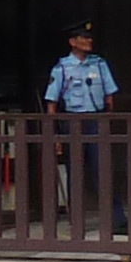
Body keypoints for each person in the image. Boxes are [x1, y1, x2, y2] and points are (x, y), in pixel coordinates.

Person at [43, 25, 123, 229]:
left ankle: (116, 220)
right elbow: (51, 102)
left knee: (103, 170)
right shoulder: (62, 67)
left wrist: (107, 120)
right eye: (83, 38)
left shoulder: (99, 64)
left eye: (89, 38)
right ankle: (76, 221)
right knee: (75, 172)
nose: (89, 41)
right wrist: (56, 135)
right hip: (73, 123)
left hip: (96, 121)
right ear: (72, 42)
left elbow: (109, 95)